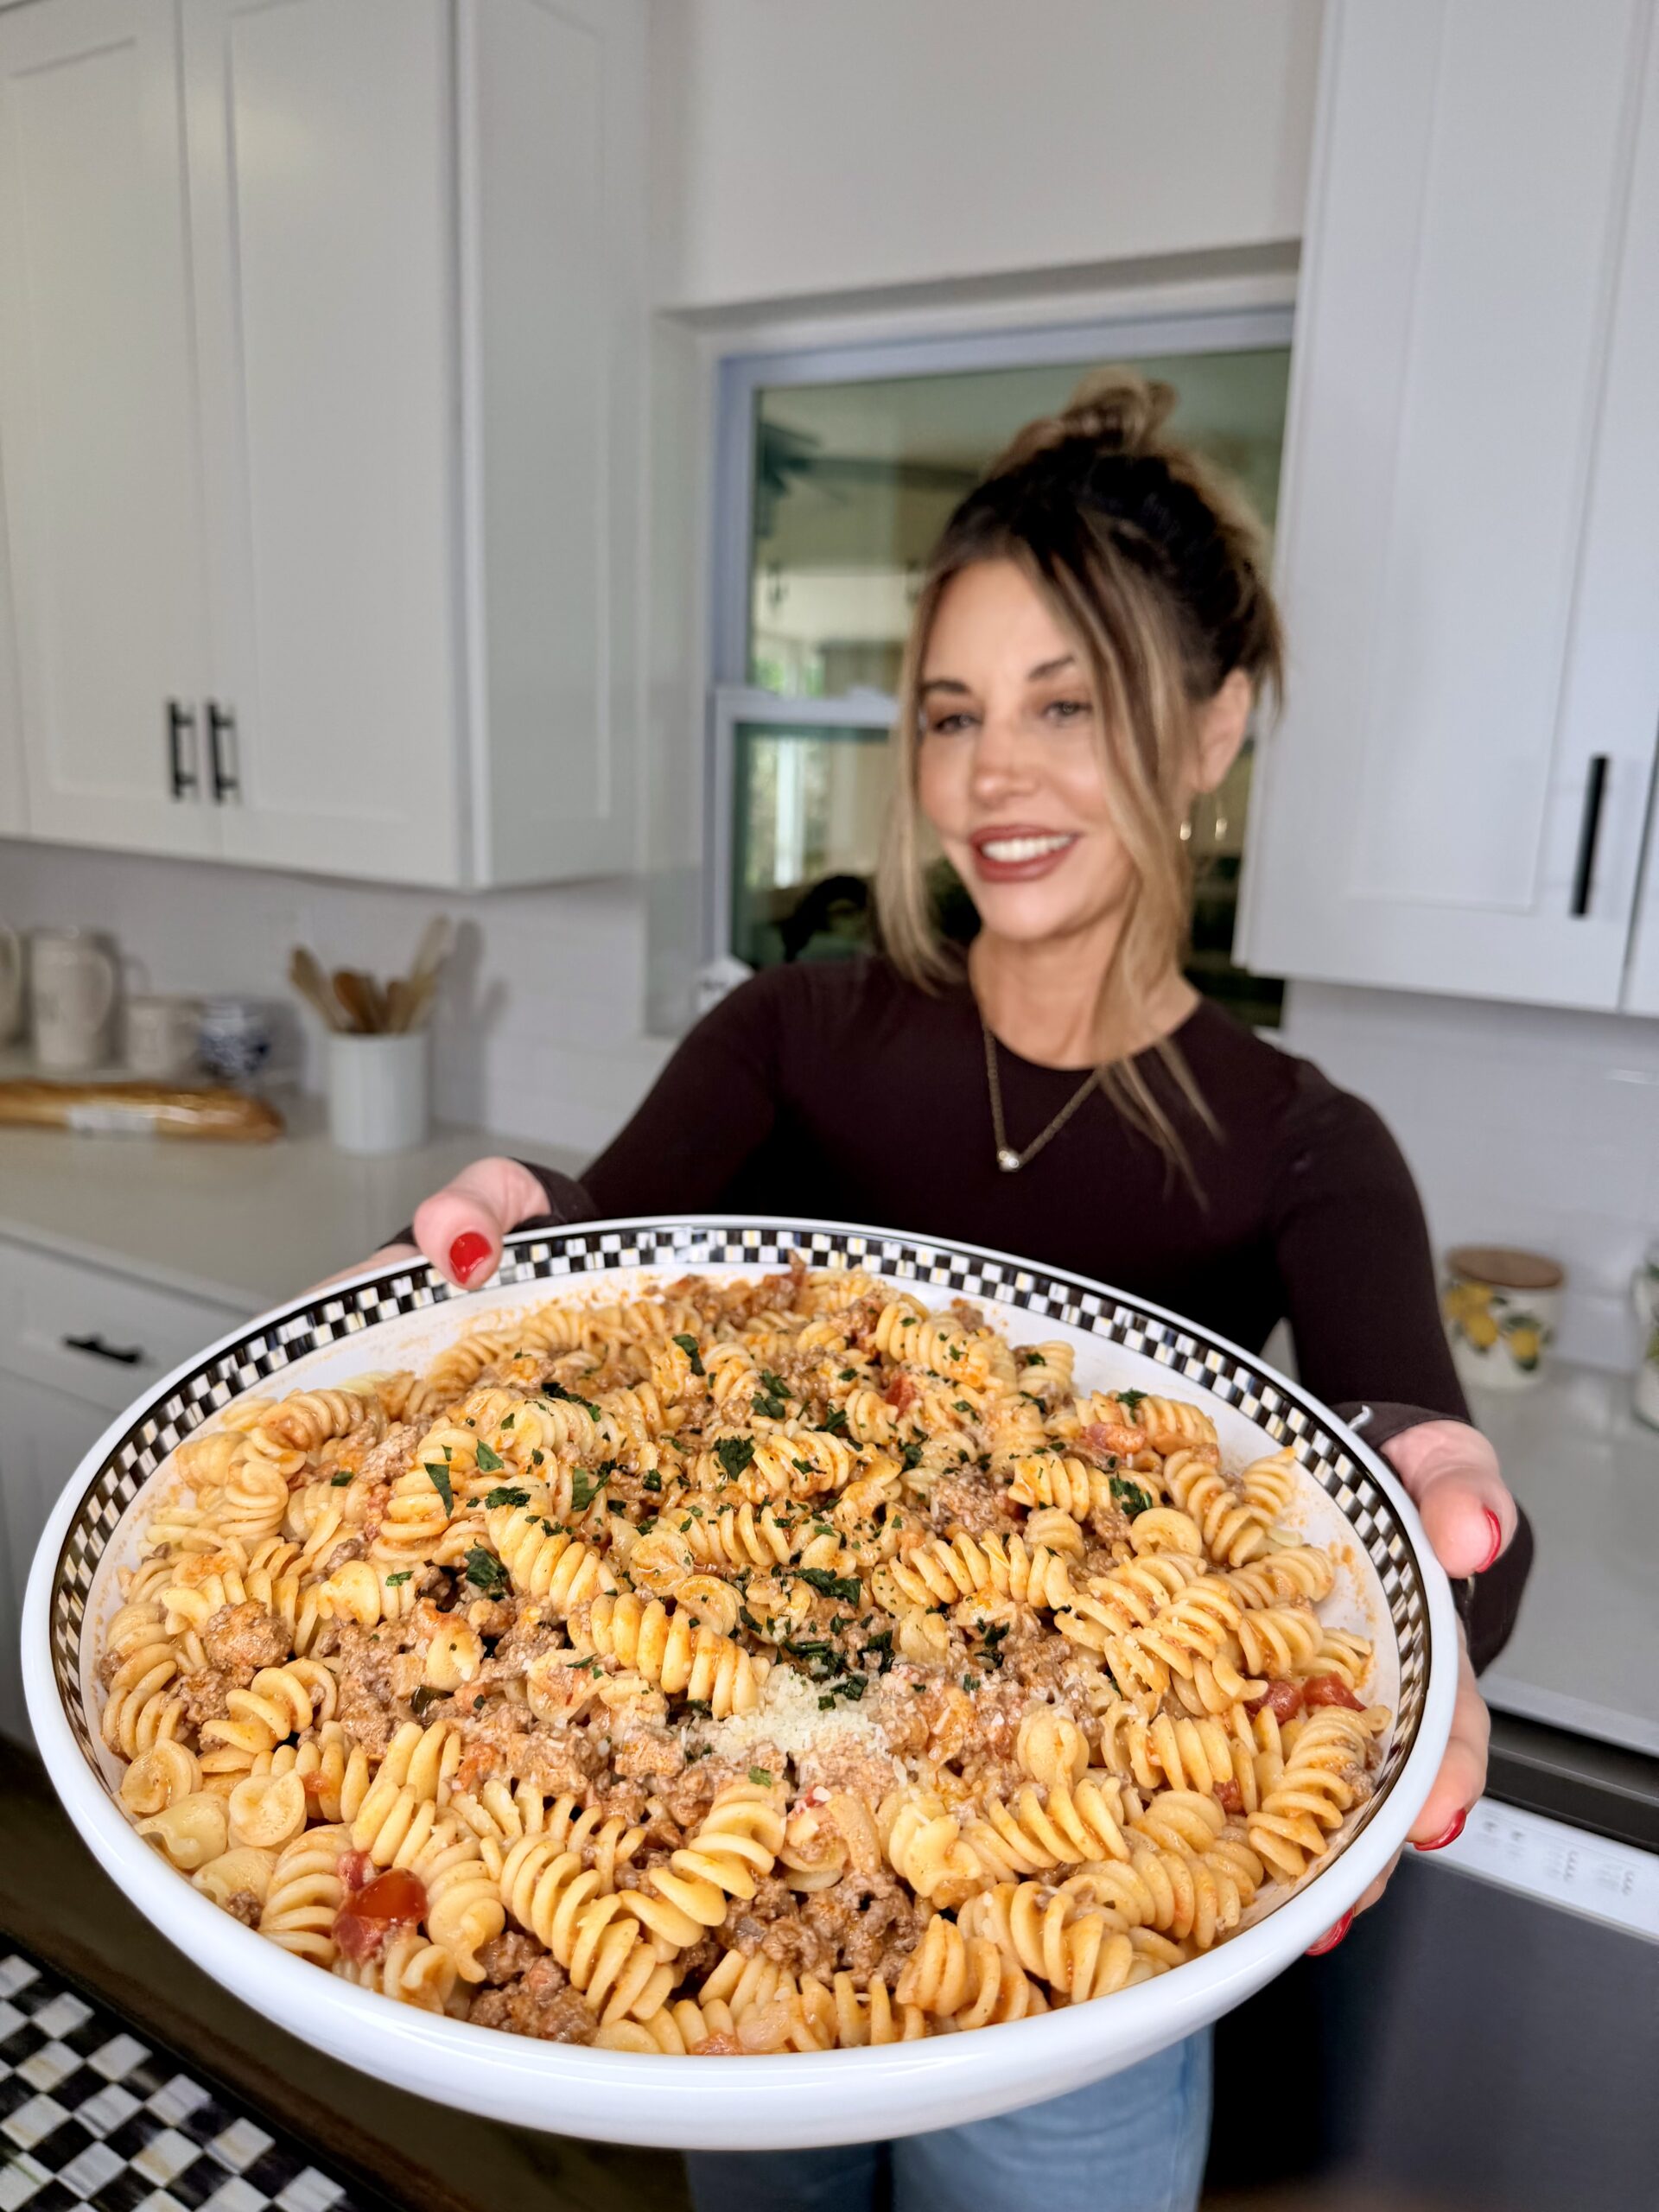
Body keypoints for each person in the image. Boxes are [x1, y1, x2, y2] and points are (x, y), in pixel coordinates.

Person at [372, 373, 1530, 2212]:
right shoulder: (794, 1026)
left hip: (1078, 1974)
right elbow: (593, 1234)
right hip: (745, 1915)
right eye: (953, 714)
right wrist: (516, 1217)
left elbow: (1422, 1469)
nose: (995, 775)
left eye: (1070, 706)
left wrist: (1446, 1530)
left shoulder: (1305, 1141)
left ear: (1215, 727)